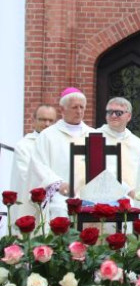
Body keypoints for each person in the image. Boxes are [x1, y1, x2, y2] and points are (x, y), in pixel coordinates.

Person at [27, 88, 96, 217]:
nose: (79, 111)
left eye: (82, 107)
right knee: (60, 209)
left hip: (90, 194)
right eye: (74, 107)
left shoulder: (94, 135)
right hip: (60, 195)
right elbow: (38, 165)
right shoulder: (48, 136)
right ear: (62, 109)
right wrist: (58, 184)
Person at [8, 104, 58, 221]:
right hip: (33, 204)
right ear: (33, 120)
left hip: (58, 204)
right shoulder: (24, 146)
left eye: (51, 120)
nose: (47, 124)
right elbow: (25, 176)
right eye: (42, 119)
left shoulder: (59, 144)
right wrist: (53, 184)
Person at [97, 97, 140, 196]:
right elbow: (99, 171)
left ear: (129, 116)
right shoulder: (95, 138)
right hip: (104, 197)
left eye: (118, 113)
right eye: (110, 112)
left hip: (136, 197)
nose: (113, 116)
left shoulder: (138, 143)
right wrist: (128, 191)